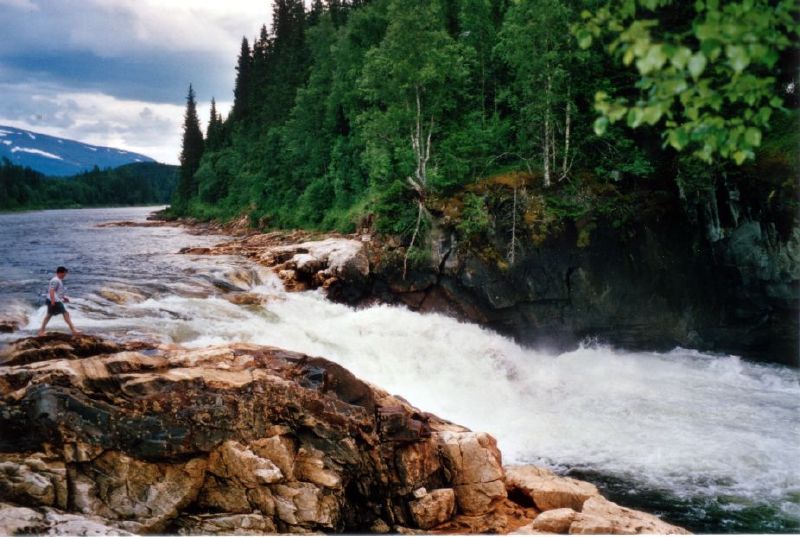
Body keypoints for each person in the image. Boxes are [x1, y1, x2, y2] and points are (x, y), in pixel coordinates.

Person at [38, 266, 81, 336]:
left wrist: (63, 297)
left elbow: (57, 291)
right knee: (65, 313)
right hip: (54, 300)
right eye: (64, 273)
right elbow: (51, 290)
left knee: (49, 315)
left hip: (55, 300)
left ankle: (41, 331)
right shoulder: (55, 280)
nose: (65, 275)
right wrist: (52, 301)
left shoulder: (58, 280)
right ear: (61, 273)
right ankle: (74, 330)